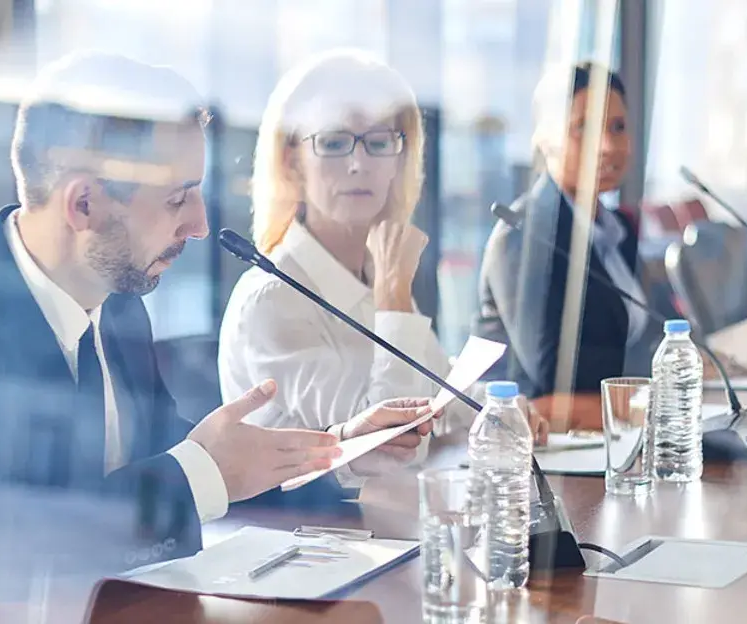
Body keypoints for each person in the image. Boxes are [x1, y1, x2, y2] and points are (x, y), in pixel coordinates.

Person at [0, 52, 430, 622]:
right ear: (85, 203)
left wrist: (335, 449)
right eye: (177, 198)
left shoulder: (117, 304)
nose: (199, 225)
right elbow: (4, 548)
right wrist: (202, 474)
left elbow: (173, 460)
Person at [219, 50, 546, 482]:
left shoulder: (371, 270)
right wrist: (394, 299)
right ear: (292, 162)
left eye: (378, 142)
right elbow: (393, 445)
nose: (359, 164)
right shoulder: (272, 297)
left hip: (383, 524)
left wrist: (495, 405)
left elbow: (434, 387)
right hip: (317, 535)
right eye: (333, 143)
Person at [475, 61, 655, 403]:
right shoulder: (524, 234)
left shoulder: (618, 231)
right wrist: (659, 367)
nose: (606, 145)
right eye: (583, 128)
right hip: (537, 441)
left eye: (617, 127)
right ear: (545, 139)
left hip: (612, 426)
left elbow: (651, 331)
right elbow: (554, 370)